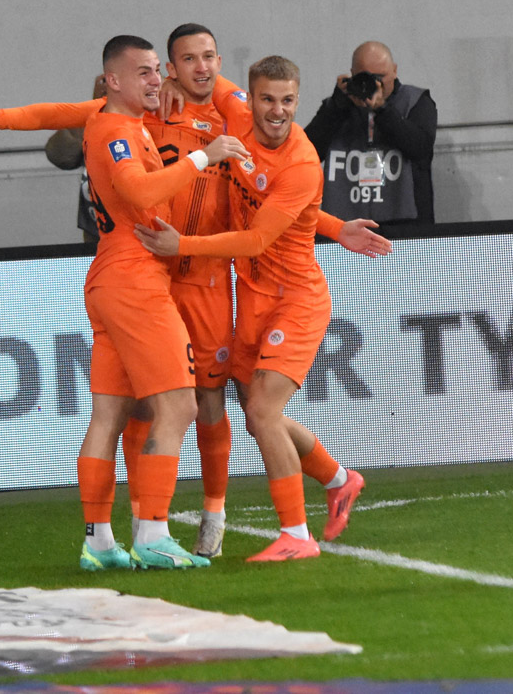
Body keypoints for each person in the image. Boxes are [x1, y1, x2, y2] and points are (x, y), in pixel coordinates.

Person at [0, 24, 387, 561]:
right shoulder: (143, 114)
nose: (200, 68)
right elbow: (66, 115)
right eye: (184, 60)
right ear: (168, 69)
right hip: (156, 274)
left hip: (208, 279)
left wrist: (335, 228)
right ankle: (147, 527)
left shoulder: (235, 116)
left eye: (209, 57)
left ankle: (208, 517)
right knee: (159, 407)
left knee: (215, 403)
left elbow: (277, 207)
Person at [0, 34, 248, 570]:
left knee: (109, 414)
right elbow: (139, 192)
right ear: (114, 80)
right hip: (135, 280)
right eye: (145, 72)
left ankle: (99, 542)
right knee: (179, 405)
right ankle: (153, 534)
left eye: (157, 70)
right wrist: (207, 154)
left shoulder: (109, 115)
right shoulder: (118, 132)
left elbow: (51, 112)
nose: (157, 80)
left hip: (109, 275)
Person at [136, 56, 370, 563]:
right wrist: (170, 81)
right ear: (251, 97)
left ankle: (296, 535)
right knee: (256, 413)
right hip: (254, 296)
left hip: (297, 299)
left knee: (263, 411)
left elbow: (258, 238)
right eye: (267, 99)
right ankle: (338, 479)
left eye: (287, 101)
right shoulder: (235, 113)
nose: (277, 110)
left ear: (298, 101)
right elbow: (203, 76)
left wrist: (182, 246)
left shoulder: (301, 163)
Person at [304, 41, 437, 237]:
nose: (375, 84)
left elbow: (421, 150)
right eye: (365, 77)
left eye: (380, 77)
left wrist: (383, 109)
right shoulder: (338, 107)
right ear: (352, 74)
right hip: (345, 225)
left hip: (406, 225)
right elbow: (307, 154)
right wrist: (335, 108)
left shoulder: (415, 101)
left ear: (394, 71)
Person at [43, 75, 105, 244]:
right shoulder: (92, 119)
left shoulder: (157, 119)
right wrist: (93, 115)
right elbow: (58, 155)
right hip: (97, 241)